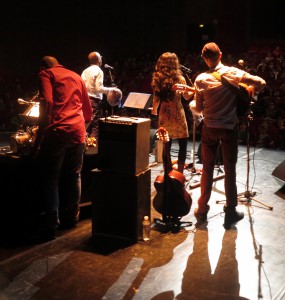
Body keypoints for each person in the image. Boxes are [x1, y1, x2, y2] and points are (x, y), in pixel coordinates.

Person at [190, 42, 266, 229]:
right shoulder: (234, 73)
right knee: (230, 169)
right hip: (229, 128)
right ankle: (230, 211)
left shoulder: (200, 79)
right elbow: (261, 83)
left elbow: (199, 109)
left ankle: (202, 209)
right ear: (221, 55)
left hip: (210, 128)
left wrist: (193, 105)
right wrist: (247, 91)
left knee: (207, 169)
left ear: (204, 58)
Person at [34, 56, 93, 241]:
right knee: (74, 175)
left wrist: (42, 131)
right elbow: (88, 111)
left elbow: (48, 103)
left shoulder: (46, 74)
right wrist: (80, 126)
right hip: (77, 130)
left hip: (57, 131)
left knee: (51, 178)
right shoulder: (76, 75)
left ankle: (51, 224)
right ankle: (71, 219)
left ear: (43, 65)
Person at [151, 52, 193, 174]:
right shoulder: (180, 79)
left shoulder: (157, 80)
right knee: (183, 145)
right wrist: (194, 91)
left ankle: (167, 172)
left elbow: (156, 100)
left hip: (164, 115)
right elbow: (186, 97)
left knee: (166, 146)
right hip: (178, 115)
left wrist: (154, 111)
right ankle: (179, 173)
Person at [81, 51, 118, 141]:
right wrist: (112, 90)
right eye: (100, 58)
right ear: (98, 60)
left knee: (86, 125)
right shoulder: (99, 71)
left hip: (84, 100)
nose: (101, 59)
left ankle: (85, 146)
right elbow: (99, 88)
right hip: (94, 101)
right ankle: (93, 148)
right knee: (95, 125)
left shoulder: (85, 71)